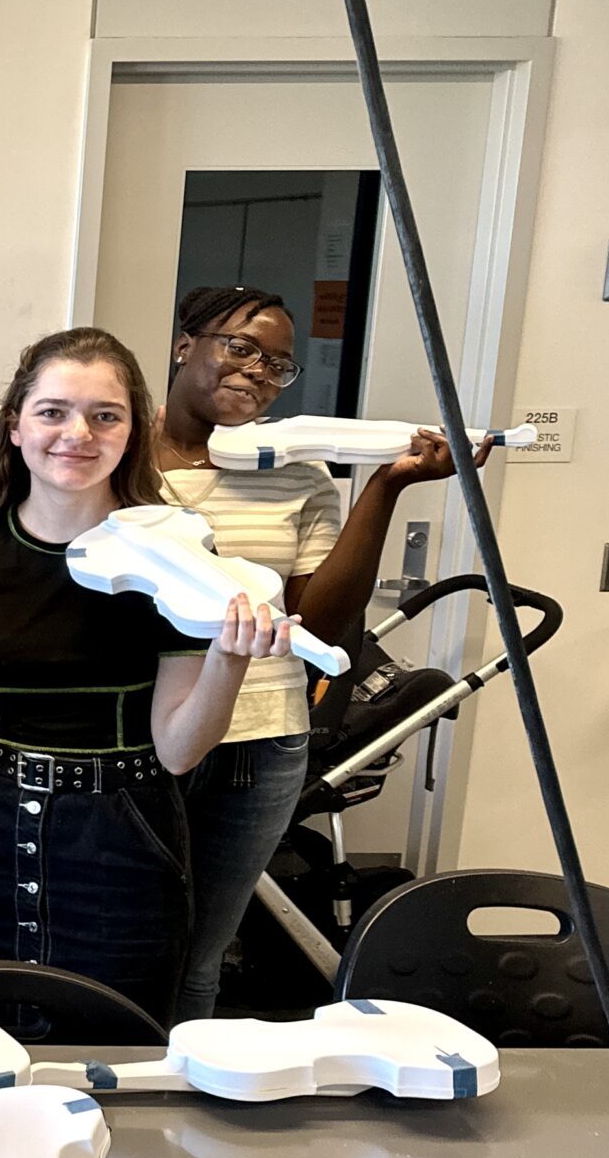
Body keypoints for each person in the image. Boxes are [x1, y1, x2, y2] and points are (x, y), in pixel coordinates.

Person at [0, 329, 292, 1021]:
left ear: (133, 430)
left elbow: (177, 748)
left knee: (116, 1057)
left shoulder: (176, 552)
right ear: (15, 426)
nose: (77, 433)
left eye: (105, 415)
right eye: (52, 411)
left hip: (123, 841)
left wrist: (229, 660)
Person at [153, 285, 487, 1018]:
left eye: (277, 365)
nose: (256, 372)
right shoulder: (115, 456)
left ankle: (179, 1107)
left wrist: (385, 489)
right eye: (239, 347)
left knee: (202, 952)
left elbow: (321, 621)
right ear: (185, 344)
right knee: (129, 934)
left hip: (263, 736)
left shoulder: (300, 475)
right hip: (145, 734)